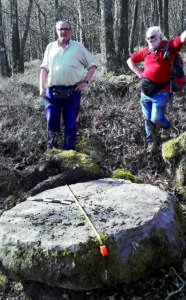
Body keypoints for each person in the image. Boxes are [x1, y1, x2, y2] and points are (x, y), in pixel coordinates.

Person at [40, 20, 97, 150]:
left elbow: (92, 65)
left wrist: (85, 81)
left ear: (70, 32)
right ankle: (52, 150)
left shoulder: (78, 47)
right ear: (56, 31)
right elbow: (44, 68)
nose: (63, 32)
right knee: (51, 121)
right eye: (60, 29)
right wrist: (41, 88)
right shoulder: (50, 47)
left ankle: (69, 151)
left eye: (66, 29)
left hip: (73, 91)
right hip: (51, 92)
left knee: (70, 122)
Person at [127, 26, 186, 150]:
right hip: (145, 93)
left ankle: (167, 127)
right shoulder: (146, 51)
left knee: (156, 118)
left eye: (152, 37)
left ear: (160, 36)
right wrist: (139, 73)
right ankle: (151, 142)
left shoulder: (169, 47)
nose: (150, 40)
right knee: (147, 120)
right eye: (148, 38)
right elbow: (130, 60)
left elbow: (181, 39)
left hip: (161, 93)